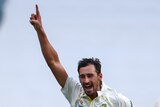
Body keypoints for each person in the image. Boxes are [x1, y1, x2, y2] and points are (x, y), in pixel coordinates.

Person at [30, 4, 133, 107]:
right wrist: (40, 30)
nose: (86, 81)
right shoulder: (75, 93)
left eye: (90, 75)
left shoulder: (117, 100)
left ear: (100, 76)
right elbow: (53, 62)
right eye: (82, 77)